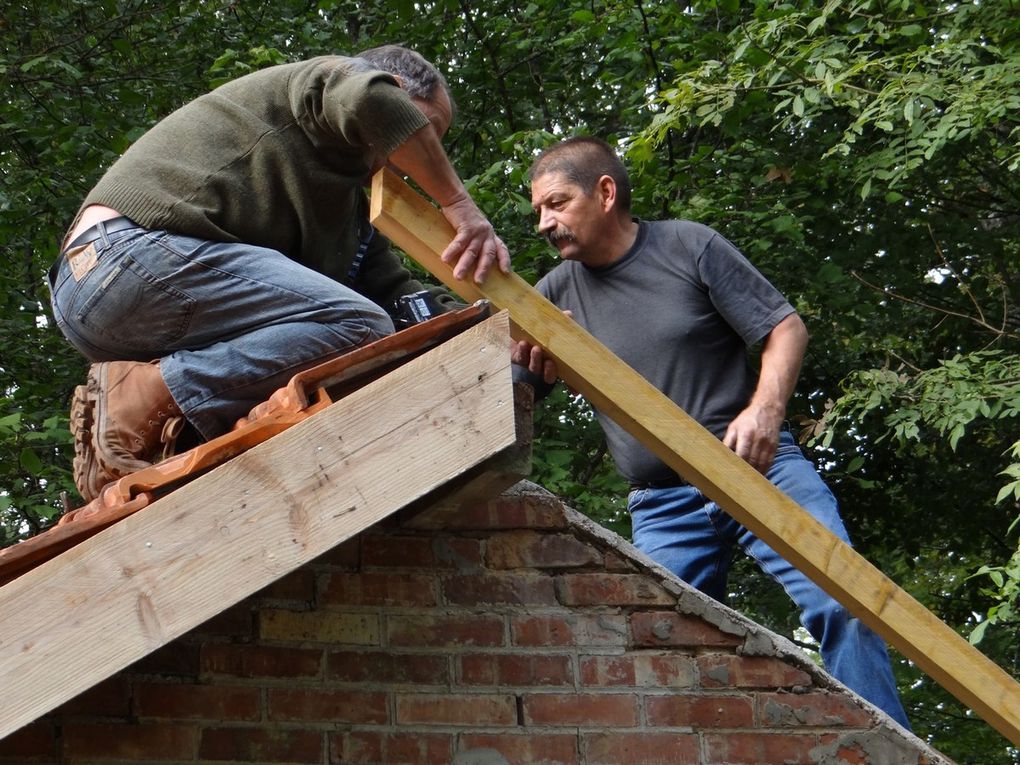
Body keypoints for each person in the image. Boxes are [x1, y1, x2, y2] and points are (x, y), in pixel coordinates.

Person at [512, 136, 911, 729]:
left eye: (556, 203)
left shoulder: (687, 245)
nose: (544, 223)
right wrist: (523, 371)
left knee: (845, 600)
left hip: (755, 468)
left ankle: (889, 749)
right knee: (654, 652)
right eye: (538, 210)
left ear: (604, 192)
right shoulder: (552, 297)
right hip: (661, 505)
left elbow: (785, 328)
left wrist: (765, 411)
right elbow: (509, 398)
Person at [48, 45, 510, 503]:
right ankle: (143, 395)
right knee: (358, 325)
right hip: (126, 259)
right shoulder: (323, 84)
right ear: (396, 91)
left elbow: (394, 294)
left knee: (355, 336)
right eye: (423, 130)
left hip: (123, 295)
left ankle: (143, 436)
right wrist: (457, 204)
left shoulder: (348, 215)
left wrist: (494, 332)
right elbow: (370, 98)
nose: (411, 156)